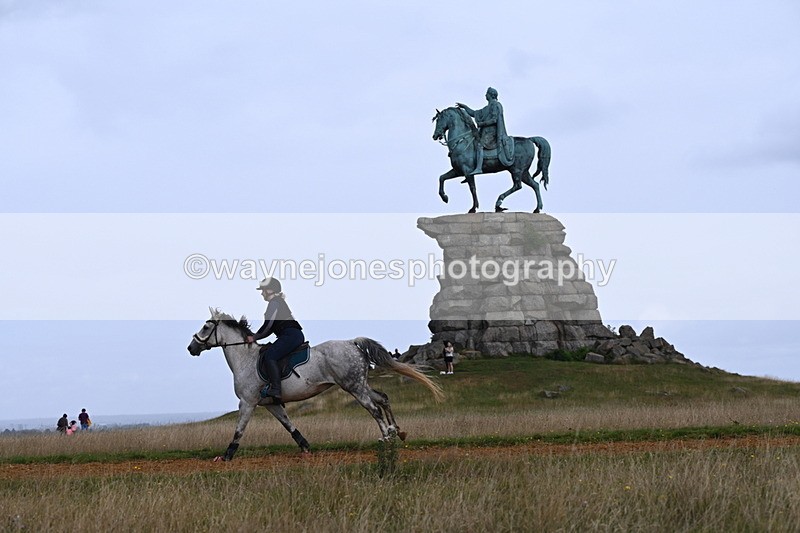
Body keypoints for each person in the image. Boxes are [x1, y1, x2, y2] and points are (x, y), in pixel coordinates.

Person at [247, 277, 304, 402]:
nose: (262, 293)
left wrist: (254, 337)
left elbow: (268, 326)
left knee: (270, 356)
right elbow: (269, 328)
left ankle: (276, 389)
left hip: (290, 335)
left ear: (271, 290)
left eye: (263, 290)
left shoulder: (274, 303)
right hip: (291, 335)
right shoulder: (277, 302)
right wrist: (256, 335)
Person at [456, 87, 513, 174]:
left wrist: (482, 124)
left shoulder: (496, 105)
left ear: (491, 95)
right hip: (484, 132)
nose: (485, 95)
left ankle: (479, 168)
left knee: (479, 145)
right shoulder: (487, 108)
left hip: (492, 133)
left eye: (487, 93)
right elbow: (474, 113)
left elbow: (494, 120)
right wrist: (465, 107)